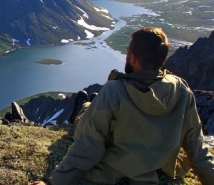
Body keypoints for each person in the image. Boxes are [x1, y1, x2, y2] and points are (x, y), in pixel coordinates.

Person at [30, 27, 214, 185]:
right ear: (162, 60)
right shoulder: (181, 89)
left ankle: (84, 108)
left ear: (133, 57)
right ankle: (89, 104)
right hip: (158, 169)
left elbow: (88, 147)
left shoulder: (115, 91)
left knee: (85, 119)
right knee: (95, 108)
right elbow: (197, 149)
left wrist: (54, 182)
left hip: (112, 171)